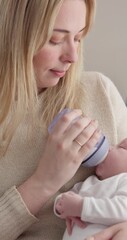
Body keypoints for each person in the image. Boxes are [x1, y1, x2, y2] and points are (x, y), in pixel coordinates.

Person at [0, 0, 127, 239]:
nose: (73, 56)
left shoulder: (100, 92)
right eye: (56, 40)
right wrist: (43, 182)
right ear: (14, 36)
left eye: (78, 38)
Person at [54, 138, 127, 240]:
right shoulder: (89, 182)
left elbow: (123, 210)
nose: (109, 148)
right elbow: (67, 197)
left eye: (121, 147)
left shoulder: (124, 180)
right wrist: (59, 205)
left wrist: (81, 207)